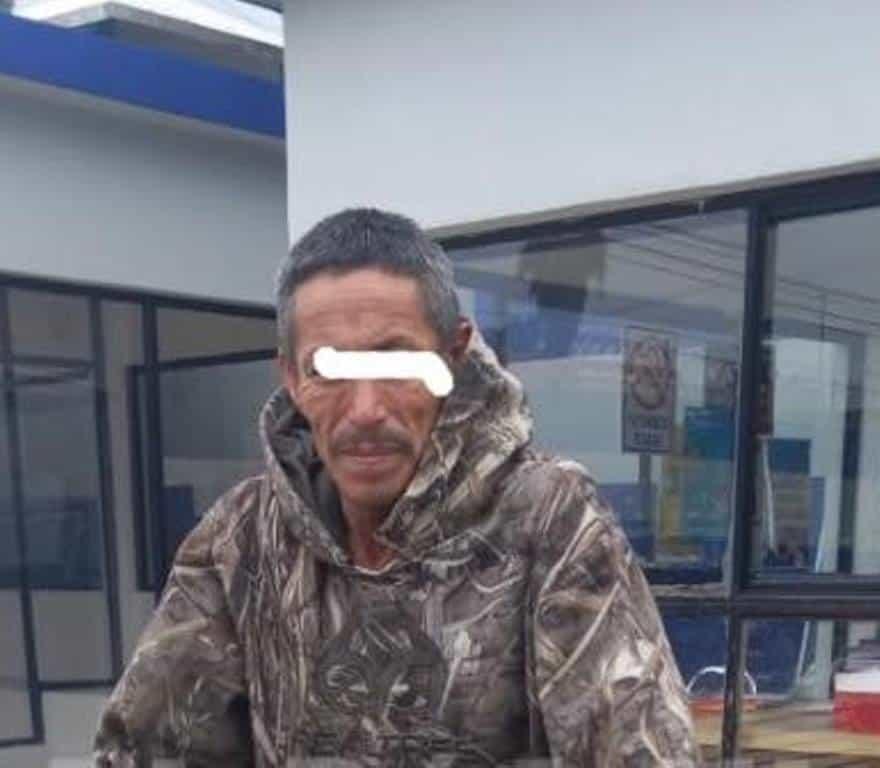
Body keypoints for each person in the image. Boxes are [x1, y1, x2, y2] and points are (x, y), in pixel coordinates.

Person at [94, 209, 700, 767]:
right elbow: (144, 748)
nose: (365, 409)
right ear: (291, 376)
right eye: (329, 369)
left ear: (454, 356)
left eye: (397, 363)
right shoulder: (241, 538)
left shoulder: (550, 521)